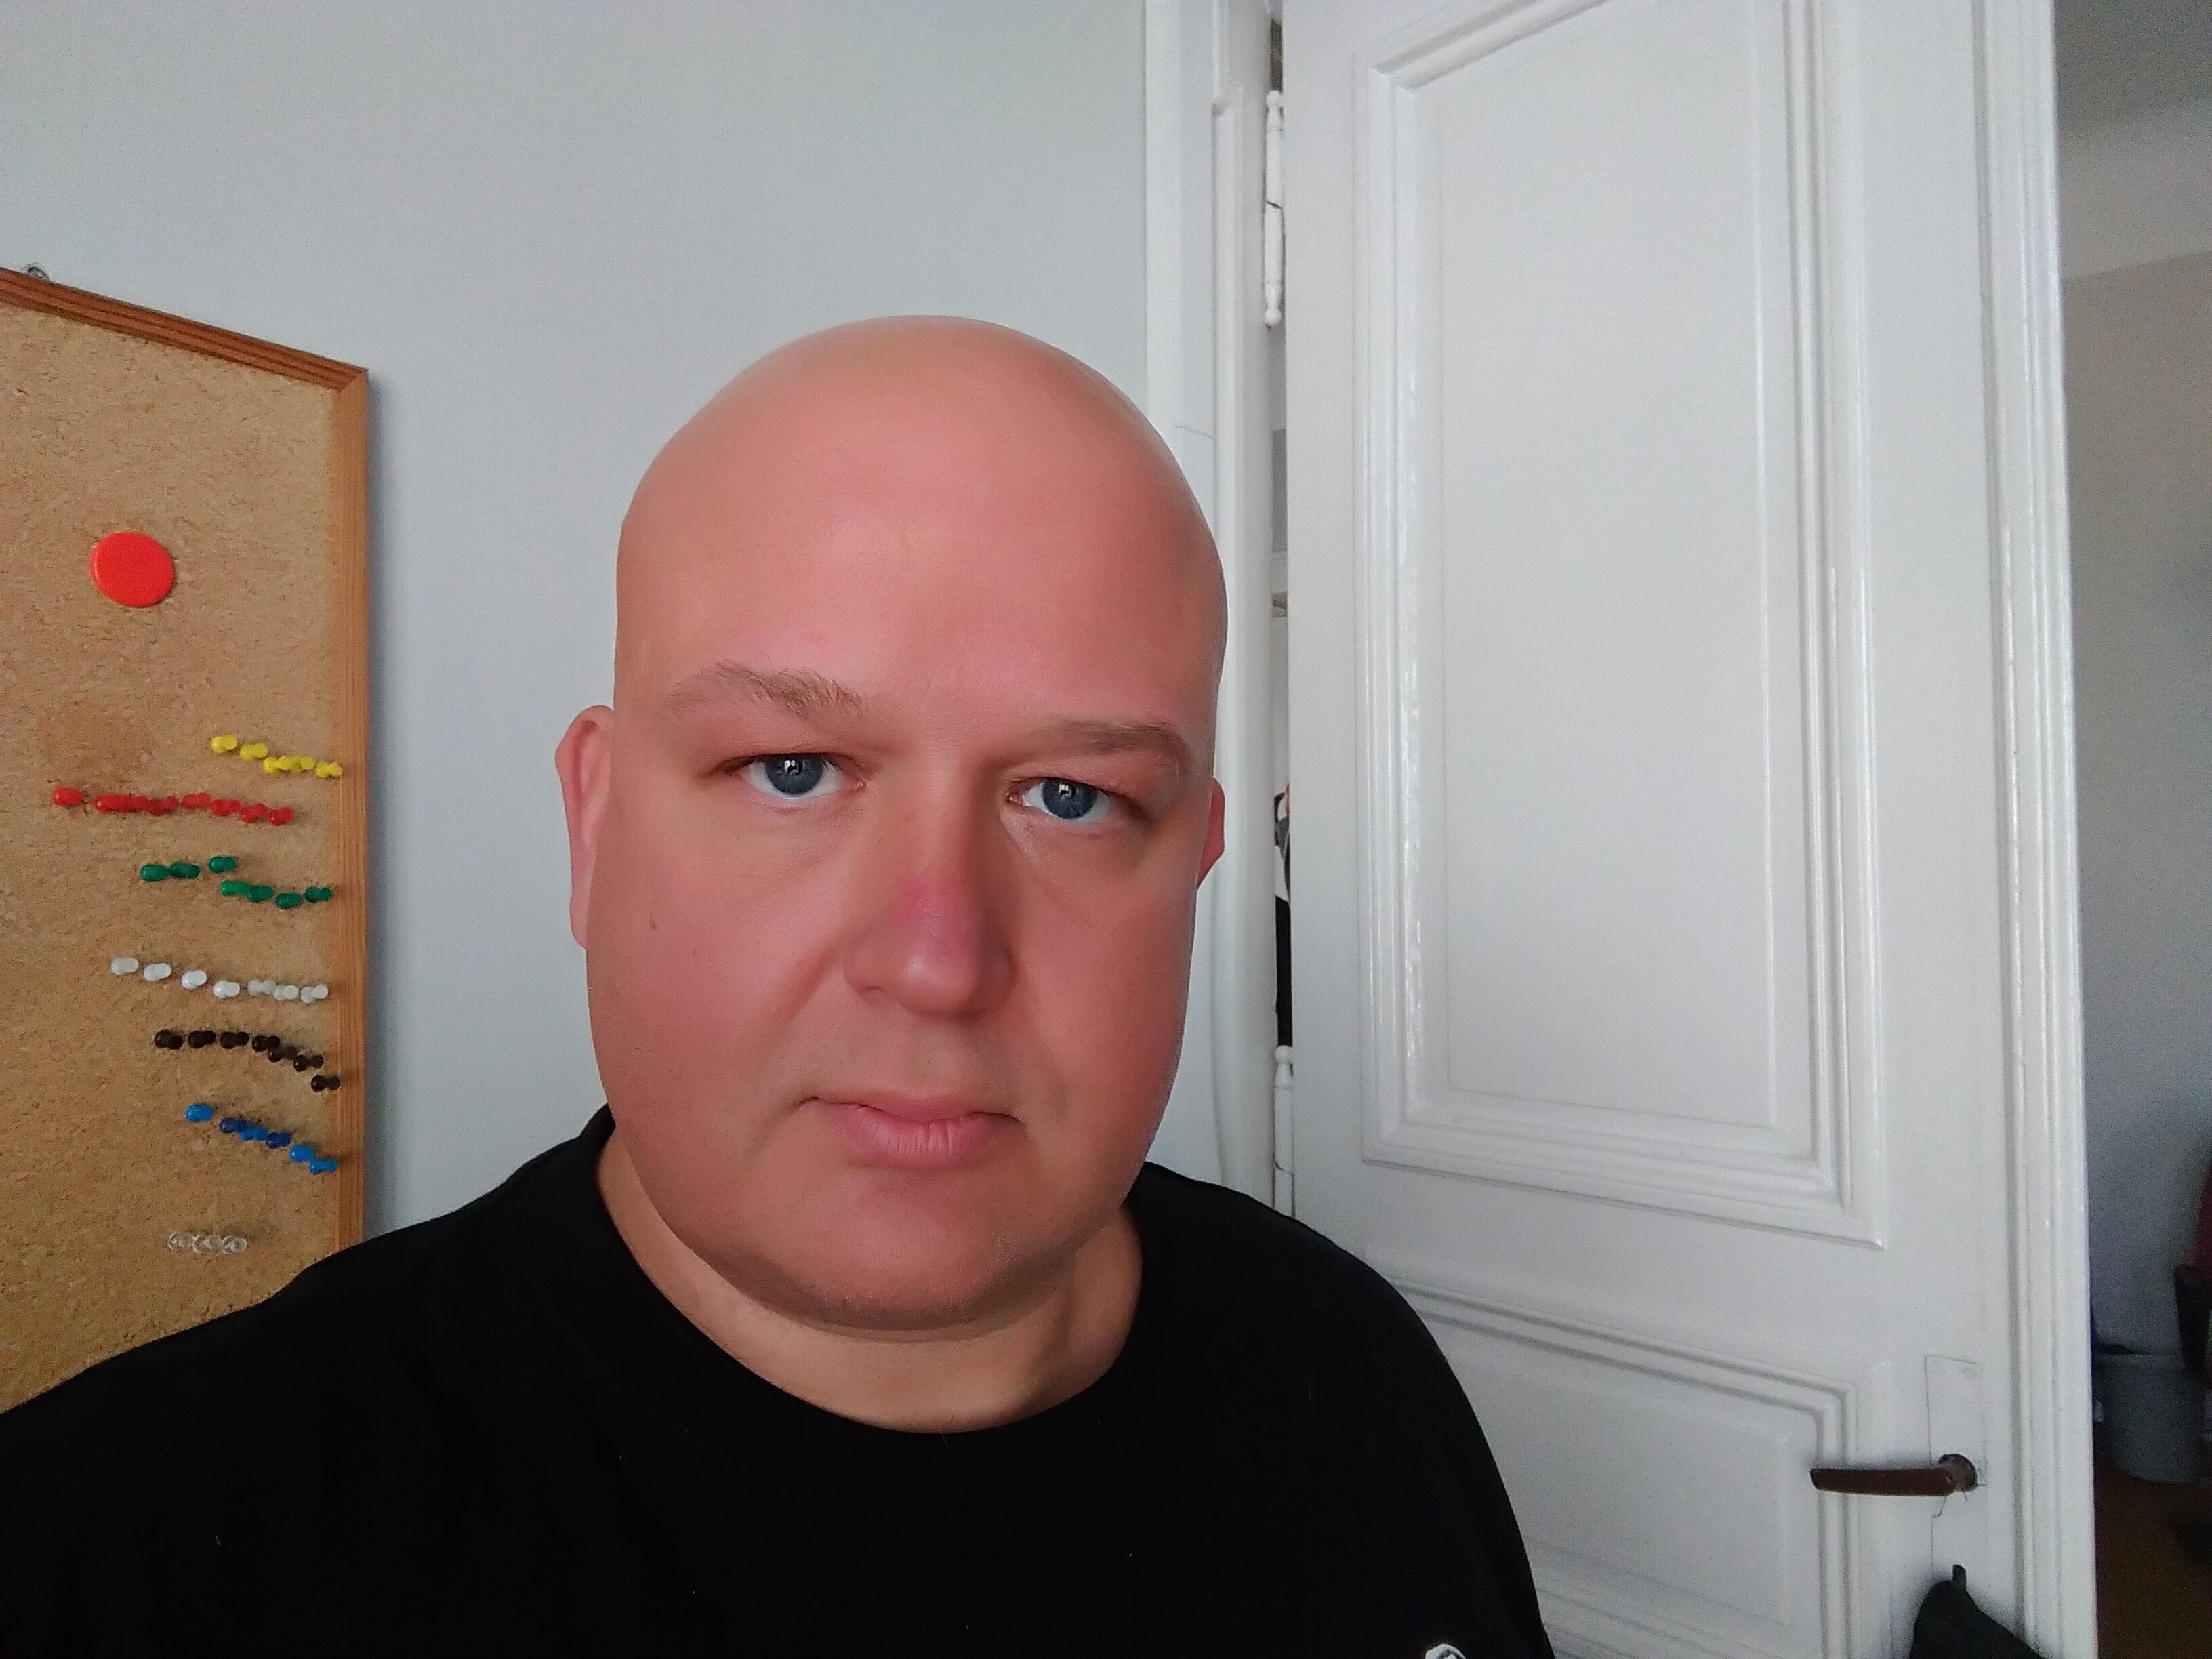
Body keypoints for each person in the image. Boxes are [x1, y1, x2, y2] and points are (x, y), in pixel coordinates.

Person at [0, 319, 1552, 1658]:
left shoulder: (1348, 1368)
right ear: (595, 828)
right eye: (792, 770)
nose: (936, 962)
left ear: (1198, 865)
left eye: (1072, 798)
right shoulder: (116, 1551)